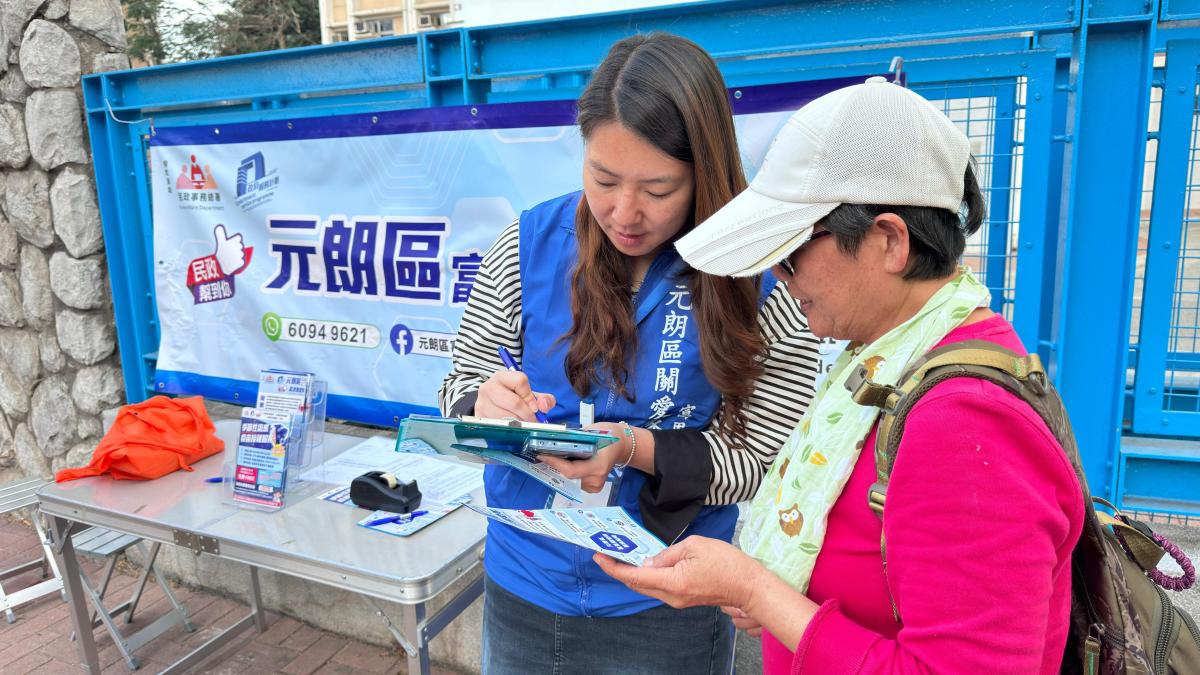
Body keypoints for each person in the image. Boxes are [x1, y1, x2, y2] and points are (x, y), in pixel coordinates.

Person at [596, 76, 1085, 674]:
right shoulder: (890, 358)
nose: (779, 277)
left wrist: (756, 590)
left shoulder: (966, 422)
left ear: (889, 241)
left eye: (790, 253)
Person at [437, 32, 819, 674]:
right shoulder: (527, 243)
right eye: (603, 179)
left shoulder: (762, 279)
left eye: (658, 189)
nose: (624, 213)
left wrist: (630, 446)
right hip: (524, 575)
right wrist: (483, 404)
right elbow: (461, 380)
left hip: (670, 593)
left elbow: (763, 458)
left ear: (706, 173)